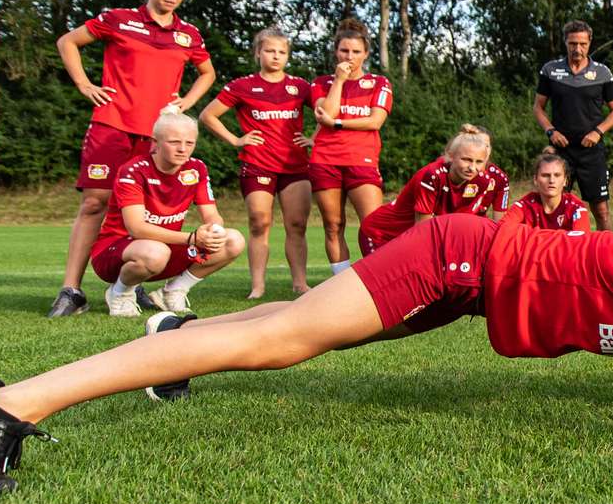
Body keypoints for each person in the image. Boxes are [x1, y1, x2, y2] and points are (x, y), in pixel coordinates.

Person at [0, 192, 613, 499]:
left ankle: (177, 335)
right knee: (284, 340)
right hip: (453, 260)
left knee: (284, 339)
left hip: (464, 279)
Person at [50, 0, 214, 318]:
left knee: (145, 212)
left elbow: (208, 73)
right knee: (95, 202)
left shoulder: (188, 35)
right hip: (113, 125)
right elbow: (68, 42)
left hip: (157, 135)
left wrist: (185, 102)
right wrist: (84, 84)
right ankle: (72, 290)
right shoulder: (119, 20)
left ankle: (130, 286)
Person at [88, 114, 246, 318]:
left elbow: (212, 214)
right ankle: (120, 293)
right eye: (174, 142)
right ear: (155, 143)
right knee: (155, 252)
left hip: (165, 249)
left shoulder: (196, 168)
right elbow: (137, 228)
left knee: (232, 240)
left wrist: (213, 230)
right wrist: (192, 238)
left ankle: (173, 291)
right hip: (117, 251)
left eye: (189, 143)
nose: (183, 149)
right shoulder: (133, 171)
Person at [200, 28, 314, 298]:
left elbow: (327, 111)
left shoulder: (299, 86)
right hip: (258, 165)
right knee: (259, 223)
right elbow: (207, 115)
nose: (276, 56)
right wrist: (236, 140)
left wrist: (314, 138)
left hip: (295, 167)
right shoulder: (243, 86)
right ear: (258, 53)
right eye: (270, 50)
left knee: (297, 224)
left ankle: (300, 283)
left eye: (281, 52)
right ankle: (258, 286)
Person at [309, 20, 391, 274]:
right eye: (344, 51)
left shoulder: (379, 83)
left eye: (356, 52)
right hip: (325, 160)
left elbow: (375, 121)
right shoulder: (321, 83)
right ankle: (340, 281)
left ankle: (377, 277)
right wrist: (339, 81)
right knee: (333, 225)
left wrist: (338, 123)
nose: (350, 56)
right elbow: (326, 114)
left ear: (366, 54)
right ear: (336, 52)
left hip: (361, 160)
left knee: (373, 225)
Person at [357, 125, 510, 256]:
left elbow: (460, 225)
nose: (472, 167)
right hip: (381, 235)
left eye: (479, 162)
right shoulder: (432, 176)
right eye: (466, 159)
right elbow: (423, 232)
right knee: (385, 286)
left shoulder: (482, 180)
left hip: (408, 240)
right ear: (450, 155)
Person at [533, 21, 613, 231]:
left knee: (601, 210)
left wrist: (598, 132)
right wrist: (551, 131)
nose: (577, 49)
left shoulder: (602, 73)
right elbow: (538, 108)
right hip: (560, 151)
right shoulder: (550, 70)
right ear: (565, 42)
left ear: (589, 43)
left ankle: (606, 256)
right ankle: (555, 256)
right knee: (555, 208)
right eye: (573, 43)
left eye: (582, 44)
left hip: (591, 151)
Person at [500, 150, 592, 231]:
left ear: (565, 181)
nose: (551, 180)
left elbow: (581, 242)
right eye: (545, 175)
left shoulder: (576, 208)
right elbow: (503, 228)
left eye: (557, 175)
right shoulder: (525, 204)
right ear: (535, 180)